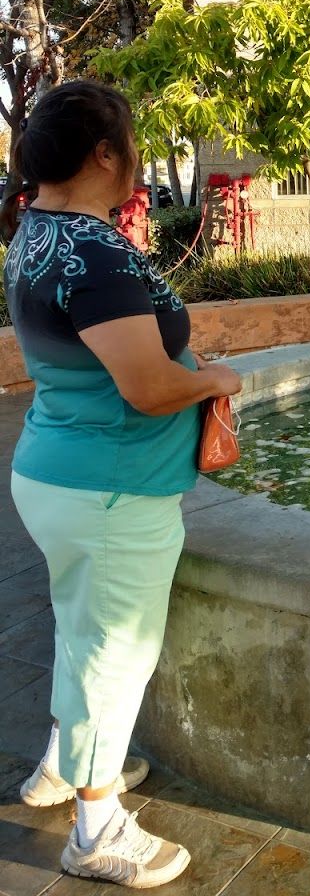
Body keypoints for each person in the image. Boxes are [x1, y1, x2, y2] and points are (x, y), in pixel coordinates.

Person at [2, 81, 242, 888]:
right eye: (131, 143)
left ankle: (59, 769)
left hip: (59, 471)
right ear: (106, 153)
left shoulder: (37, 229)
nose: (137, 156)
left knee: (82, 628)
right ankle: (96, 829)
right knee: (115, 655)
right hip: (111, 488)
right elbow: (145, 387)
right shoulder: (93, 252)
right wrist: (213, 379)